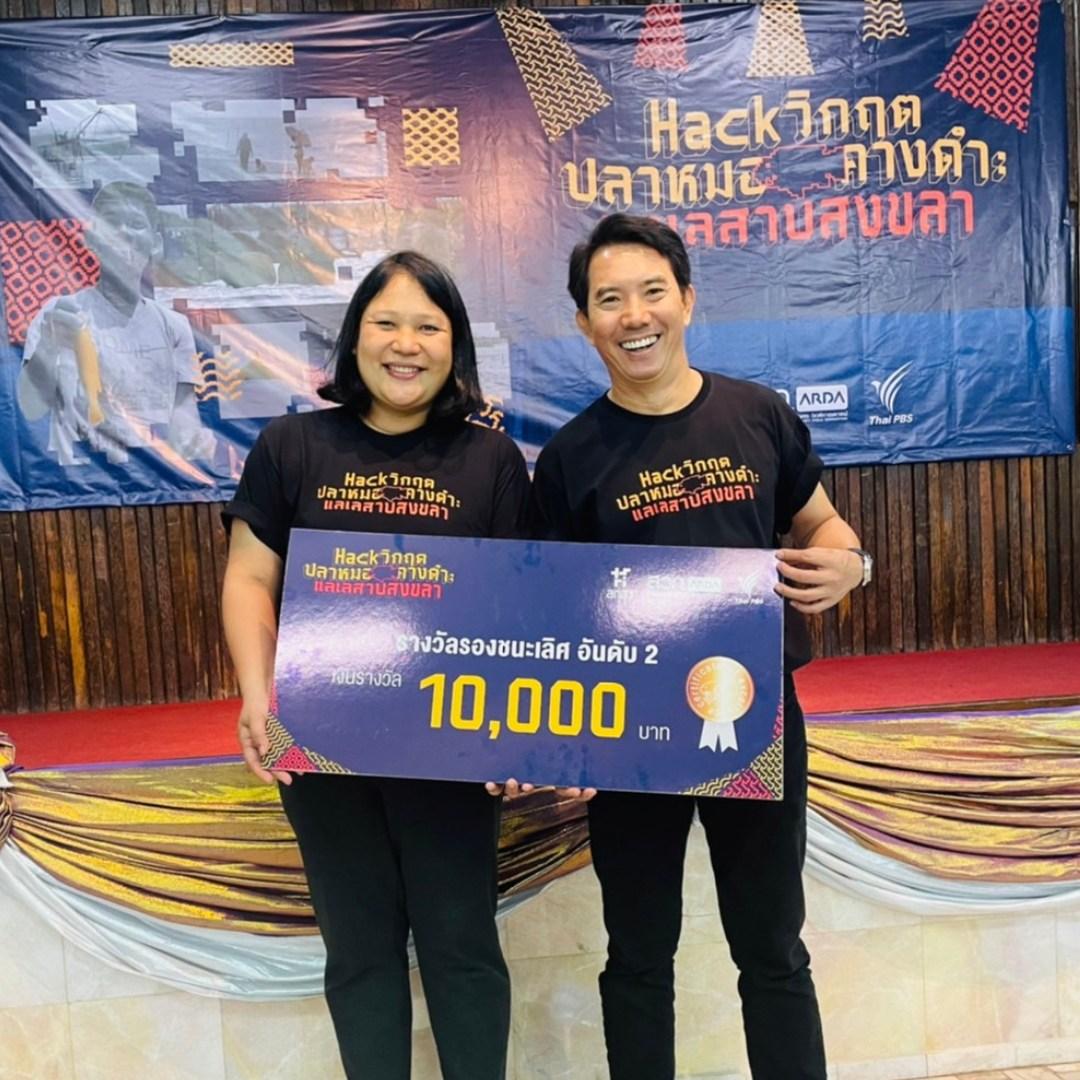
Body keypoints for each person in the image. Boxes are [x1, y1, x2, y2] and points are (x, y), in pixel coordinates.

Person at [530, 213, 872, 1080]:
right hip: (629, 733)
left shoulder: (757, 416)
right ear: (584, 322)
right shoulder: (569, 458)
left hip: (753, 716)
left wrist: (850, 564)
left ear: (686, 300)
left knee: (772, 945)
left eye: (652, 292)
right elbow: (552, 615)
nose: (634, 315)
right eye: (610, 300)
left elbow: (823, 525)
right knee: (639, 952)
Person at [221, 251, 529, 1080]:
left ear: (455, 347)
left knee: (463, 946)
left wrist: (517, 727)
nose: (406, 344)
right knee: (359, 951)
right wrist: (256, 695)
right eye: (386, 322)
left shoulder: (491, 460)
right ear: (355, 337)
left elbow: (515, 605)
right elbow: (249, 578)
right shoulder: (291, 446)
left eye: (428, 326)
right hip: (323, 735)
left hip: (454, 743)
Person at [17, 181, 213, 467]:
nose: (123, 232)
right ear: (91, 239)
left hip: (155, 480)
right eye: (111, 222)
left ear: (156, 243)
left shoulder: (174, 326)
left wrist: (196, 442)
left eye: (136, 224)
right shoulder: (58, 313)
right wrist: (48, 346)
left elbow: (184, 419)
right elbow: (29, 409)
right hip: (82, 481)